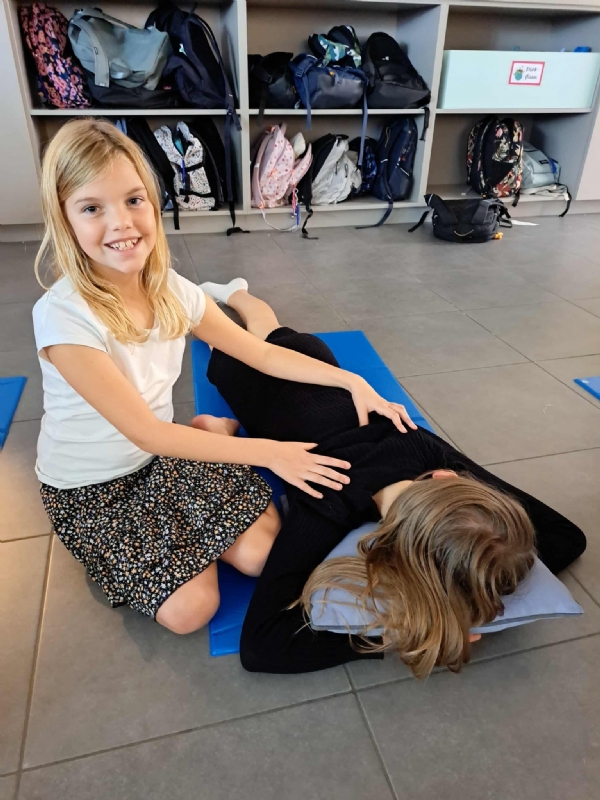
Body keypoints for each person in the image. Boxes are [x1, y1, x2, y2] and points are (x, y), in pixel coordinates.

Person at [31, 119, 413, 636]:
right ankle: (203, 447)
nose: (121, 223)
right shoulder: (64, 316)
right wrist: (271, 452)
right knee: (191, 611)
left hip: (163, 456)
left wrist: (352, 383)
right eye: (92, 208)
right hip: (94, 488)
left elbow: (262, 354)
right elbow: (146, 432)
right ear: (64, 219)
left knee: (262, 557)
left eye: (134, 200)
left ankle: (205, 441)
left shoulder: (170, 288)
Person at [201, 283, 587, 678]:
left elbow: (567, 538)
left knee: (267, 327)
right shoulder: (327, 499)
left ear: (445, 479)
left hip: (316, 361)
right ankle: (220, 297)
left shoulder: (423, 448)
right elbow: (261, 648)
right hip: (262, 382)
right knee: (217, 338)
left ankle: (235, 293)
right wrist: (418, 632)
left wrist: (453, 606)